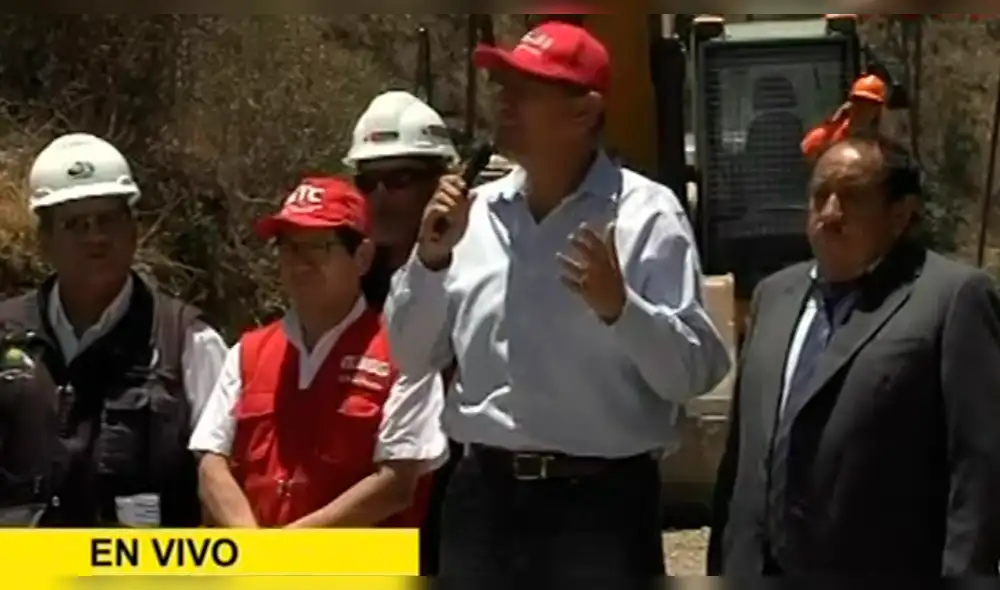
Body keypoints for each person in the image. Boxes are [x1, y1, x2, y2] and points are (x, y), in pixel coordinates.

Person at [384, 21, 731, 582]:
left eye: (525, 90)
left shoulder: (646, 216)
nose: (503, 102)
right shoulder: (472, 217)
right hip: (482, 501)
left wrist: (622, 308)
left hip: (598, 509)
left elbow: (694, 373)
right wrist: (429, 261)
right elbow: (409, 357)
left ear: (583, 112)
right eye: (502, 87)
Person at [708, 136, 1000, 576]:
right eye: (820, 195)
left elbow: (979, 473)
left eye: (851, 198)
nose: (829, 214)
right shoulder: (774, 297)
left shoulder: (952, 300)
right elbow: (741, 461)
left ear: (900, 215)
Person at [189, 176, 448, 528]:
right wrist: (253, 551)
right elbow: (210, 461)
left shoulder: (406, 353)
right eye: (290, 247)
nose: (301, 262)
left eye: (319, 246)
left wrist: (286, 554)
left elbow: (397, 484)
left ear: (362, 257)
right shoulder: (248, 353)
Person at [0, 132, 228, 526]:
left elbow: (224, 489)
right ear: (44, 240)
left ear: (134, 230)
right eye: (75, 224)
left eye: (108, 220)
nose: (96, 238)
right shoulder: (5, 332)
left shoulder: (188, 342)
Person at [342, 90, 459, 572]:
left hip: (456, 503)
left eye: (401, 180)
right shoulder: (344, 280)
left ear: (442, 182)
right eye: (368, 182)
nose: (381, 197)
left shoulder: (477, 273)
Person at [801, 74, 886, 161]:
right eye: (857, 100)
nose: (862, 107)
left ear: (878, 109)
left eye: (869, 104)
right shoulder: (832, 133)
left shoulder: (882, 142)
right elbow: (806, 151)